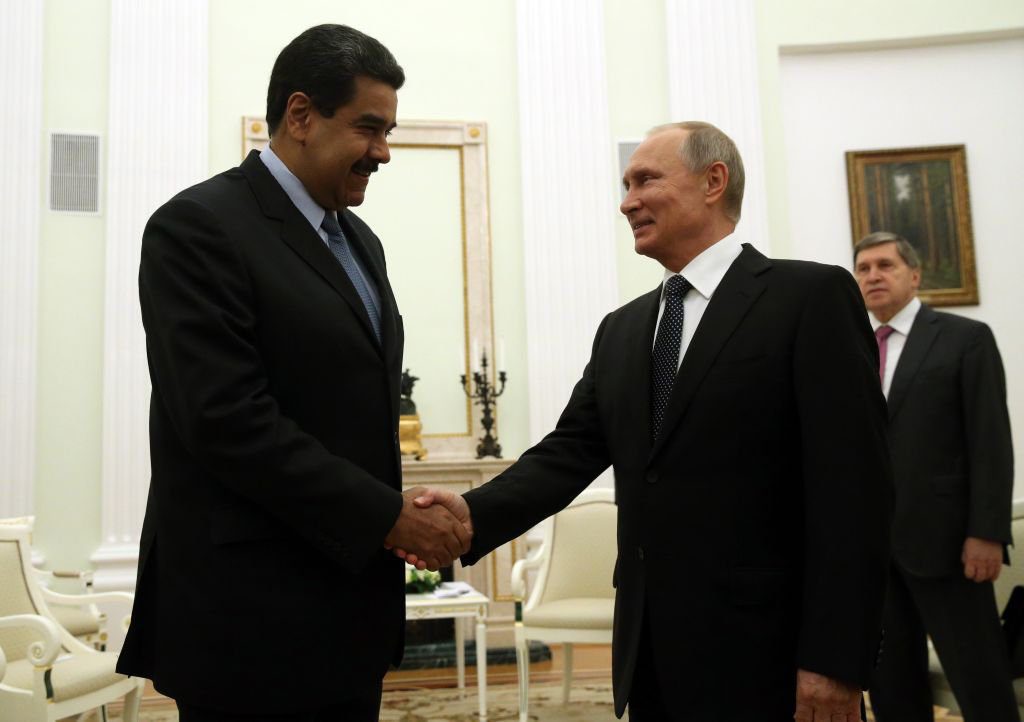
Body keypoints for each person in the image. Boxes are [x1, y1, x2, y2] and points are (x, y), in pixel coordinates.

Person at [407, 121, 892, 721]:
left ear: (714, 181)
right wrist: (473, 512)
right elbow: (570, 451)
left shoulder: (808, 297)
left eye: (645, 180)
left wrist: (835, 658)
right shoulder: (624, 328)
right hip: (651, 649)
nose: (626, 200)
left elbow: (854, 491)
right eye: (625, 184)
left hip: (770, 648)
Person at [116, 24, 470, 721]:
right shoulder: (198, 227)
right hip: (248, 621)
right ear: (301, 115)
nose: (384, 152)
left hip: (346, 612)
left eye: (390, 130)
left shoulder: (359, 241)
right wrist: (387, 515)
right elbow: (228, 422)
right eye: (369, 128)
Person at [853, 231, 1018, 721]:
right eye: (863, 269)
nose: (873, 276)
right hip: (873, 551)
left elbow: (990, 441)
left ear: (915, 275)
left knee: (980, 680)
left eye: (885, 265)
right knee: (892, 687)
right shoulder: (850, 347)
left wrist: (986, 533)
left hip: (949, 546)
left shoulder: (964, 338)